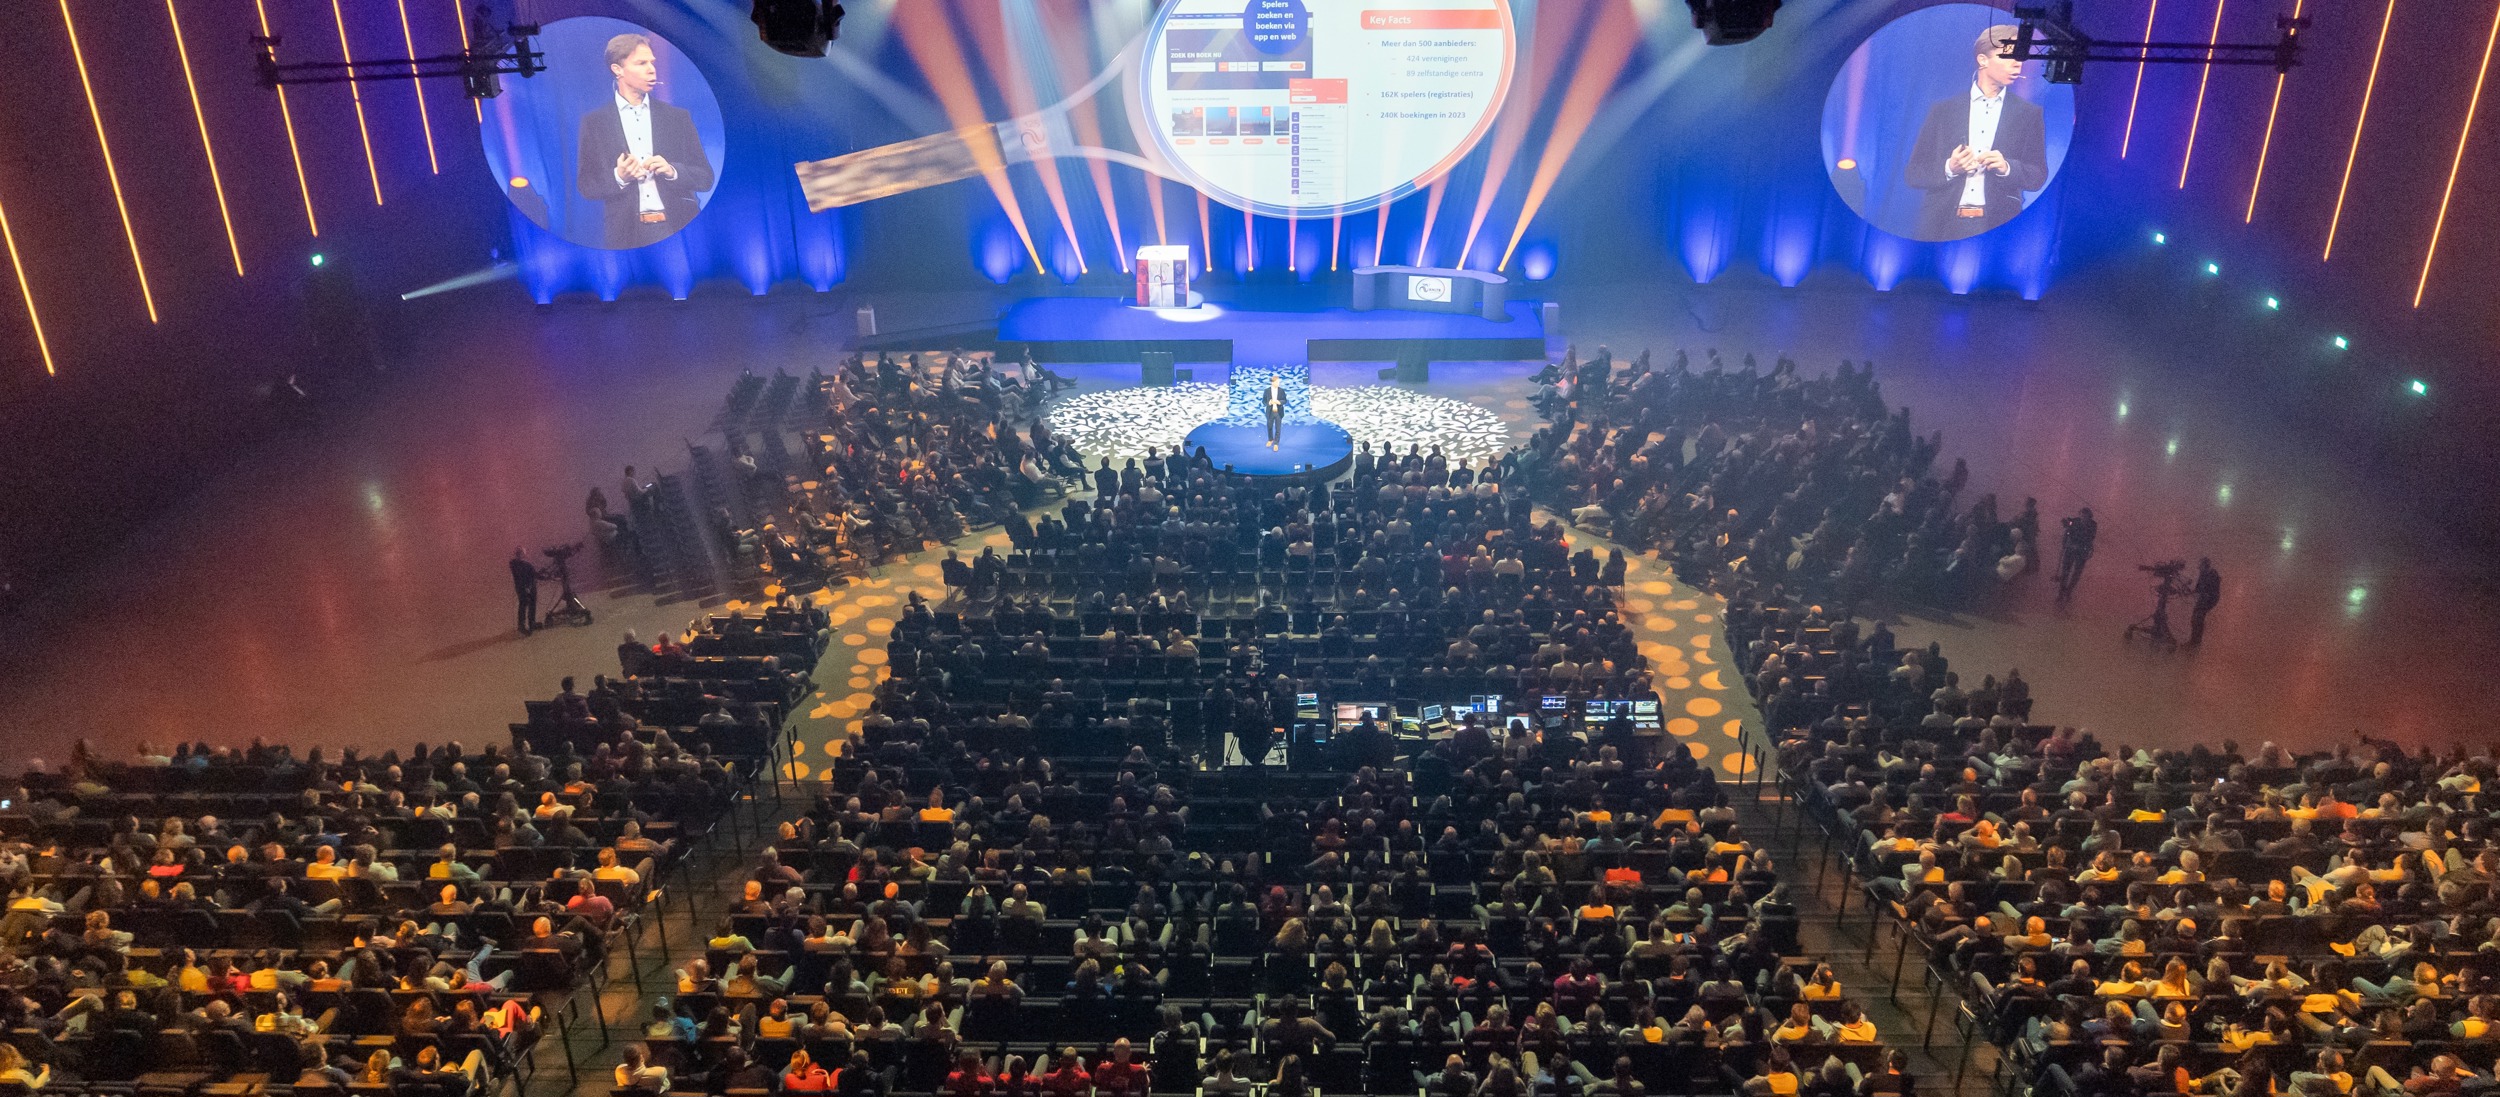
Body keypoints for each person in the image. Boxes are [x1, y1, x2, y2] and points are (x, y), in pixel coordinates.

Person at [1905, 24, 2050, 240]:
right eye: (2008, 56)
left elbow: (2038, 175)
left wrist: (2007, 167)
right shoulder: (1943, 111)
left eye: (2019, 58)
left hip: (1998, 225)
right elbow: (1914, 173)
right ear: (1983, 60)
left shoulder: (2028, 114)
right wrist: (1950, 167)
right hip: (1943, 224)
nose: (2017, 65)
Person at [575, 33, 717, 248]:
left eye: (652, 62)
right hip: (626, 233)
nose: (651, 69)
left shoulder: (677, 118)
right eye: (641, 63)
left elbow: (705, 177)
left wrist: (672, 171)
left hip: (678, 226)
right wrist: (619, 176)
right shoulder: (595, 123)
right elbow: (587, 185)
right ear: (617, 70)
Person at [2055, 506, 2096, 601]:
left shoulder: (2093, 525)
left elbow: (2090, 538)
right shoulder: (2074, 521)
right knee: (2065, 572)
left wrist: (2078, 544)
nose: (2083, 518)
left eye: (2085, 516)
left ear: (2089, 517)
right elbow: (2068, 529)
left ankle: (2069, 591)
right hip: (2070, 551)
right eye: (2082, 515)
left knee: (2076, 574)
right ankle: (2061, 593)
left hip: (2082, 553)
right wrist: (2066, 525)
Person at [2189, 557, 2222, 646]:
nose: (2199, 567)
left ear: (2205, 565)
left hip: (2209, 600)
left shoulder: (2212, 574)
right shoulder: (2203, 573)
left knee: (2198, 618)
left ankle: (2195, 642)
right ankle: (2194, 641)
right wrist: (2189, 592)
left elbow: (2210, 590)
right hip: (2205, 599)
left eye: (2201, 565)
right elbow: (2198, 588)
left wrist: (2205, 595)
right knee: (2195, 618)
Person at [509, 548, 539, 635]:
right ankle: (522, 625)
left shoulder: (518, 564)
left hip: (526, 587)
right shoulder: (520, 565)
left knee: (529, 604)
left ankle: (530, 623)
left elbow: (533, 574)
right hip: (525, 588)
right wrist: (527, 587)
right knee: (524, 604)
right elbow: (526, 576)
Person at [1264, 375, 1287, 449]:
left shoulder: (1281, 390)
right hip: (1270, 412)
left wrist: (1279, 402)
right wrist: (1269, 402)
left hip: (1278, 412)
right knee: (1269, 427)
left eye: (1279, 382)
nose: (1278, 383)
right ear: (1272, 382)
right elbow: (1263, 401)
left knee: (1278, 428)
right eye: (1277, 382)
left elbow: (1285, 400)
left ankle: (1276, 443)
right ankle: (1270, 440)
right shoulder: (1267, 391)